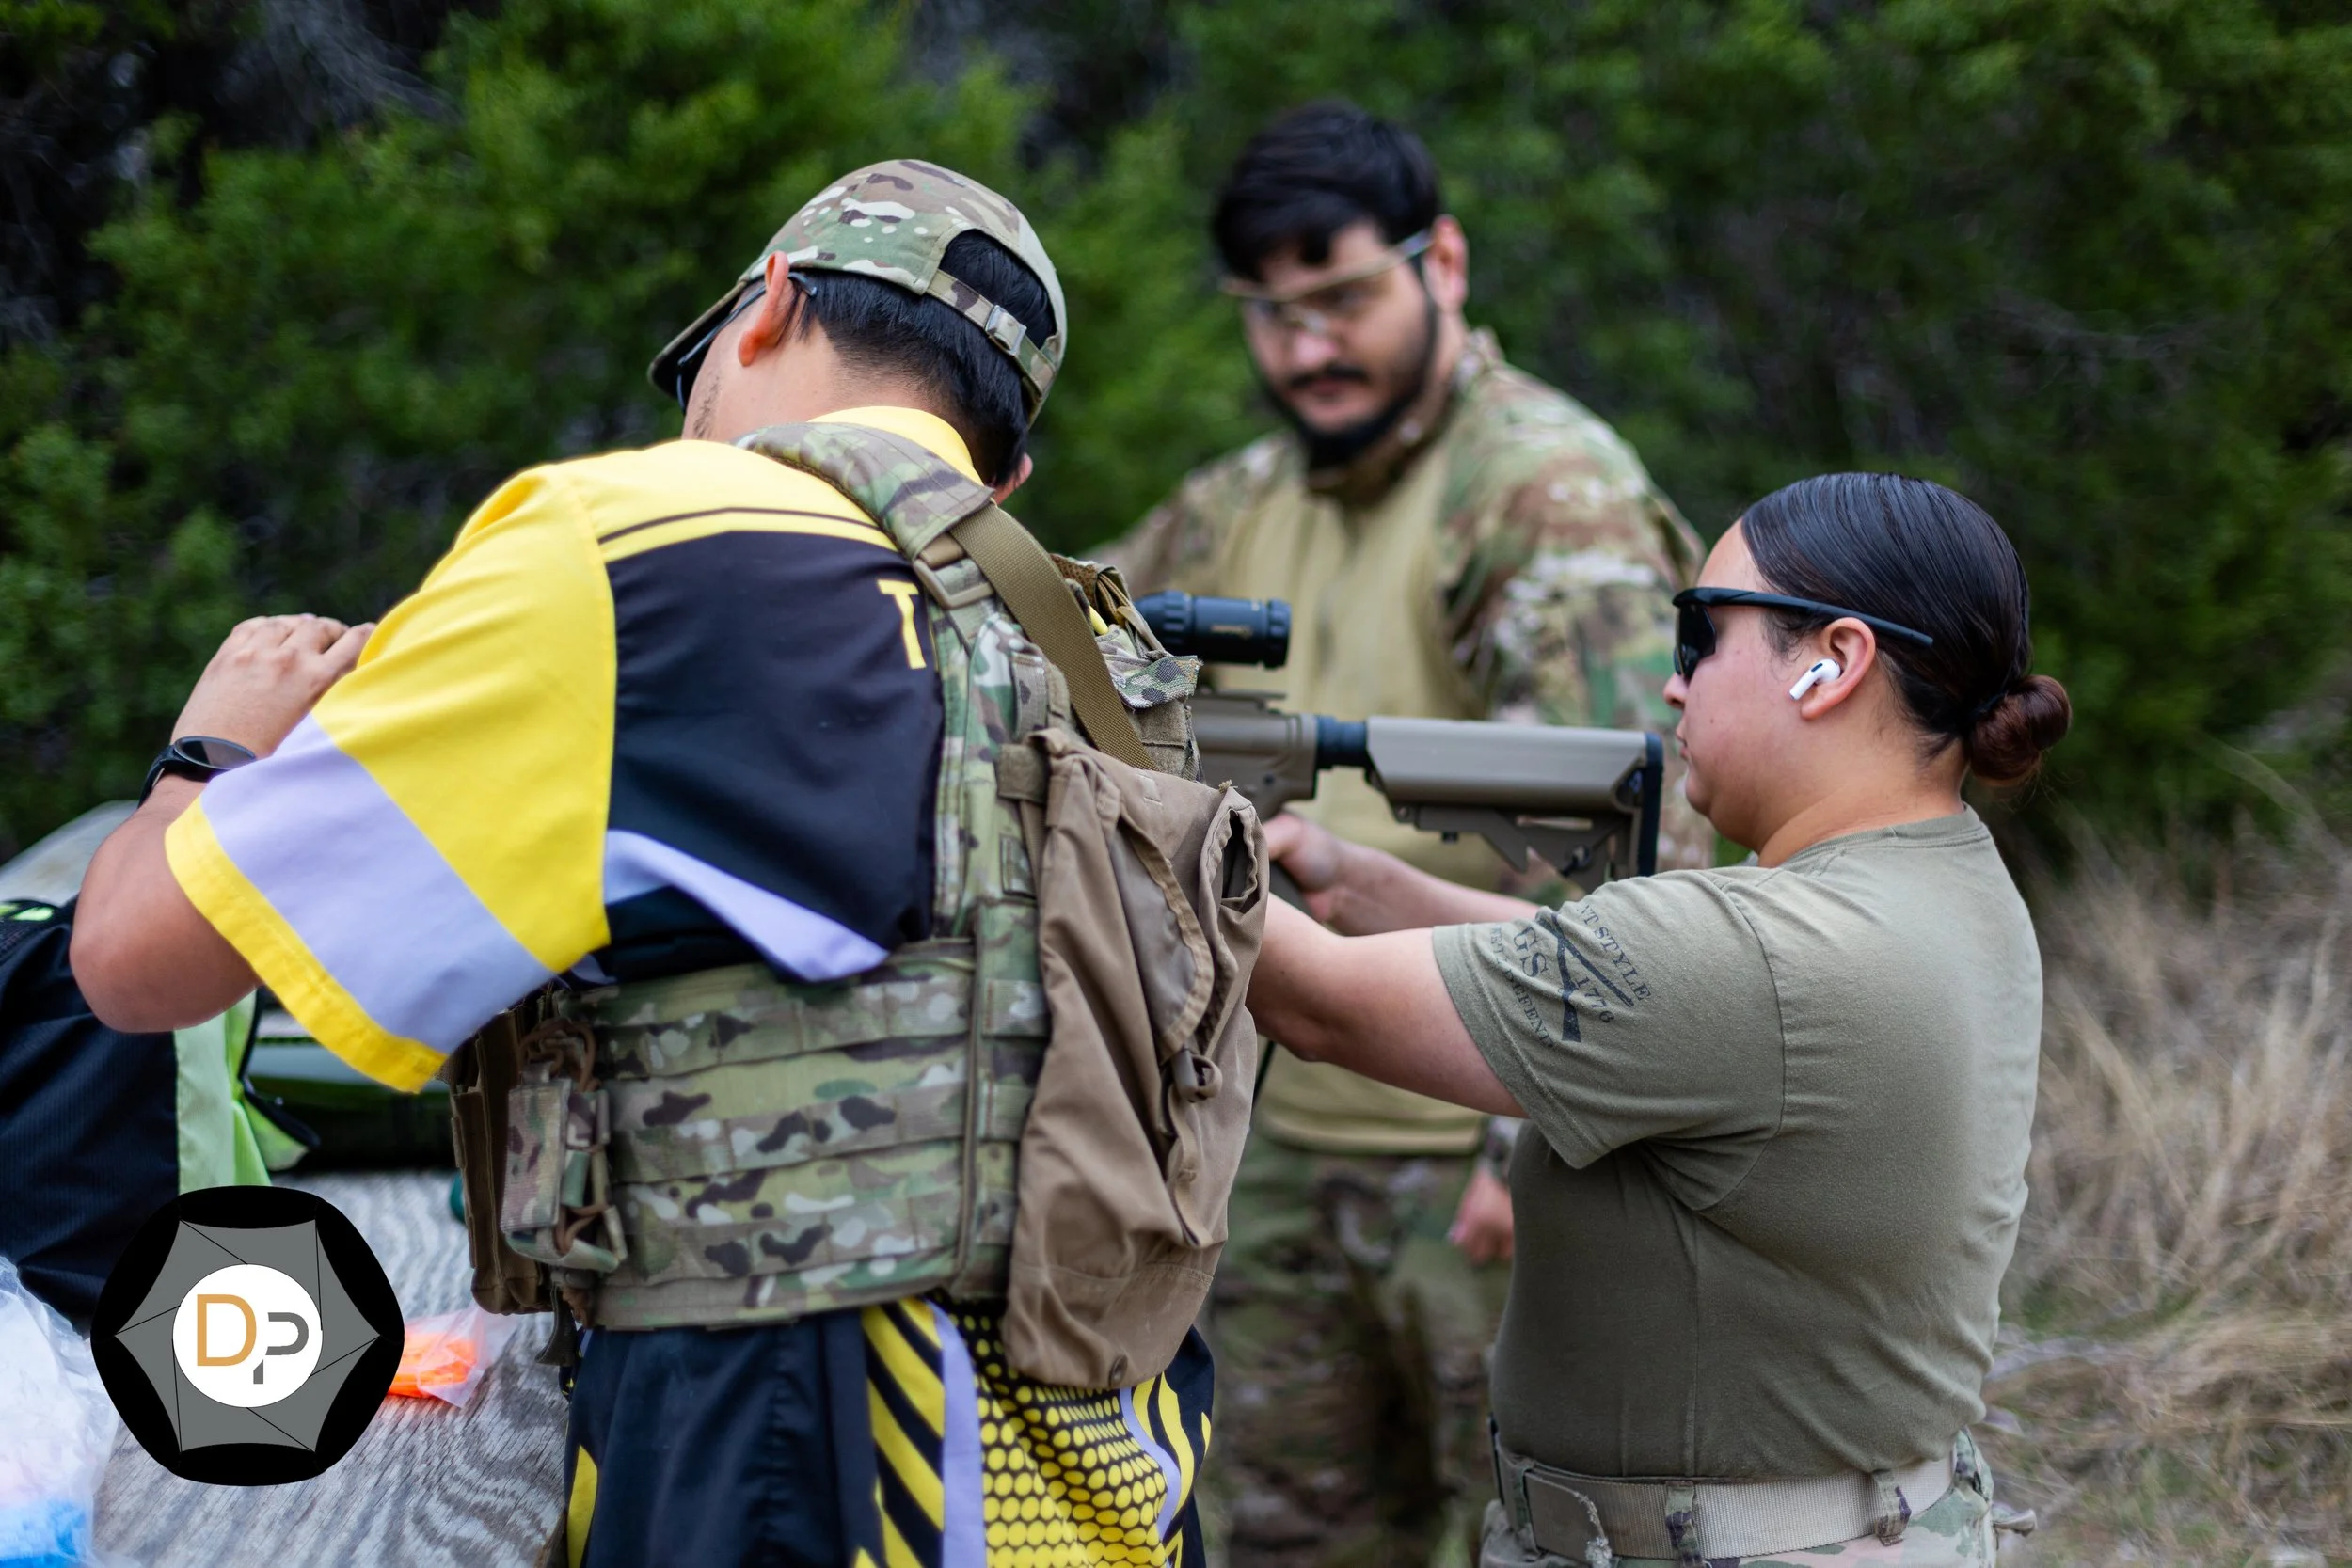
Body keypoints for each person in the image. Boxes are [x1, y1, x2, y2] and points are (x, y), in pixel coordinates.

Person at [71, 160, 1223, 1568]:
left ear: (766, 309)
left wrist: (216, 744)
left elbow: (134, 960)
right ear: (1008, 471)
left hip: (798, 1443)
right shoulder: (1103, 657)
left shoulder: (635, 536)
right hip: (1111, 1458)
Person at [1245, 472, 2071, 1567]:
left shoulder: (1754, 957)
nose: (1675, 688)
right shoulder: (1944, 882)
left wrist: (1135, 810)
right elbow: (1634, 987)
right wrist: (1356, 883)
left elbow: (1318, 1006)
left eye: (1701, 635)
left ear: (1832, 662)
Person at [1103, 101, 1704, 1567]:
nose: (1307, 348)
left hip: (1492, 1161)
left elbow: (1650, 860)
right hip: (1286, 1148)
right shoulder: (1241, 502)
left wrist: (1531, 1140)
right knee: (1291, 1537)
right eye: (1271, 314)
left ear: (1442, 260)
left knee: (1542, 1533)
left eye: (1344, 297)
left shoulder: (1542, 492)